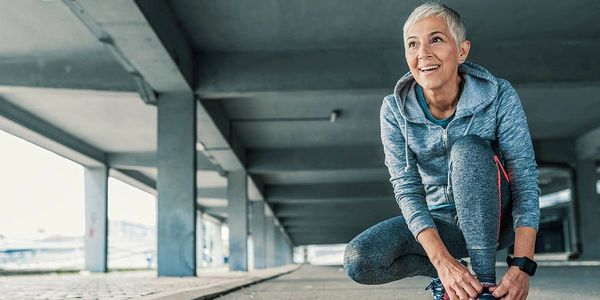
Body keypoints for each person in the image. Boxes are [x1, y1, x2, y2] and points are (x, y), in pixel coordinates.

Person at [343, 2, 540, 300]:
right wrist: (443, 263)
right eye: (412, 44)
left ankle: (484, 287)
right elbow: (407, 189)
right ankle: (454, 281)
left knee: (467, 150)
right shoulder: (394, 111)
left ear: (461, 51)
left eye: (436, 39)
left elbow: (525, 181)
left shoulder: (499, 95)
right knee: (360, 259)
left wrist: (522, 265)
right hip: (441, 224)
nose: (423, 53)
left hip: (496, 218)